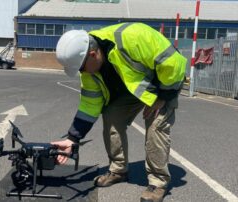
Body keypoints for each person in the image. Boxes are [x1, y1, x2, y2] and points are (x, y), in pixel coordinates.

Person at [51, 22, 186, 202]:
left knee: (156, 126)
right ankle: (118, 170)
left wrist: (164, 96)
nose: (81, 73)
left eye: (81, 68)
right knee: (111, 117)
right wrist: (72, 138)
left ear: (92, 54)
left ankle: (158, 182)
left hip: (162, 85)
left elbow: (173, 63)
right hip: (131, 91)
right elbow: (90, 105)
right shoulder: (89, 70)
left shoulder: (133, 37)